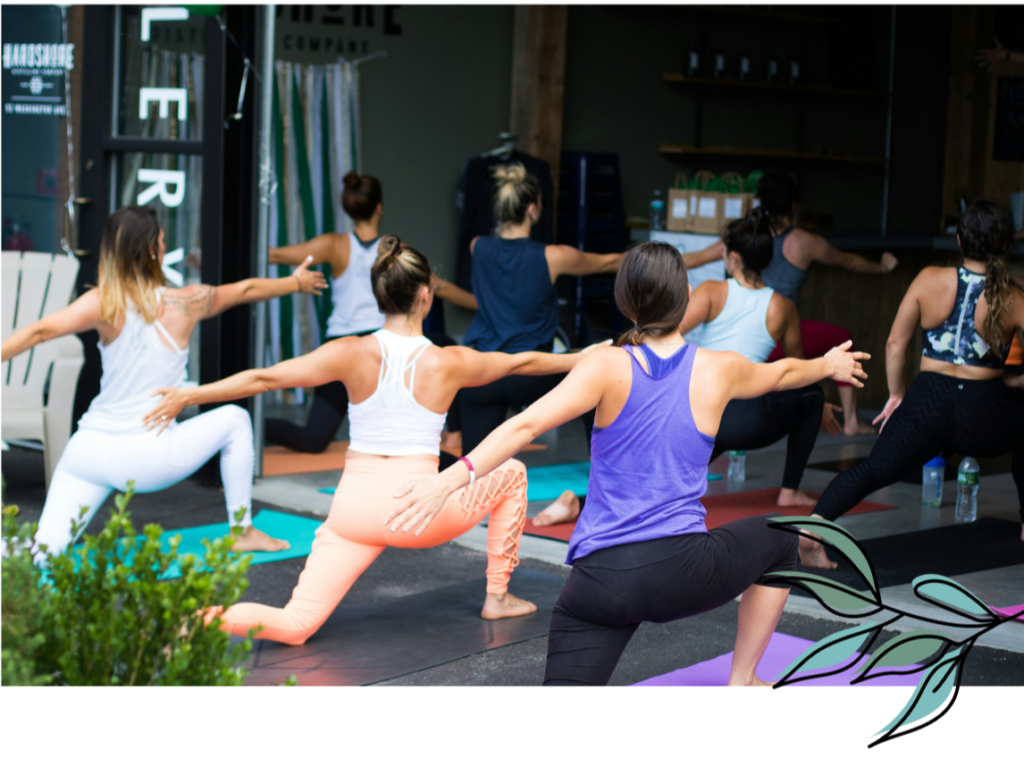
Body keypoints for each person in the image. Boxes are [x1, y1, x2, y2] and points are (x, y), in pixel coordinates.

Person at [388, 241, 869, 688]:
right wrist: (827, 366)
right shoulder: (718, 368)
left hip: (598, 585)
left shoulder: (606, 365)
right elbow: (783, 372)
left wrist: (446, 482)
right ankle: (743, 681)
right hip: (681, 573)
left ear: (626, 304)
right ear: (685, 296)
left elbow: (523, 427)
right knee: (783, 541)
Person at [146, 236, 599, 644]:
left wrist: (192, 393)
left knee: (297, 621)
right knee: (514, 472)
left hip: (352, 511)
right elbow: (521, 363)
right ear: (426, 296)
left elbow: (265, 377)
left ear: (379, 296)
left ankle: (197, 620)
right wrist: (585, 356)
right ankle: (496, 597)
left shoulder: (350, 352)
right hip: (421, 513)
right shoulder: (448, 361)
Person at [0, 206, 327, 560]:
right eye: (162, 240)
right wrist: (296, 282)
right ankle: (242, 531)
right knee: (235, 419)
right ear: (153, 252)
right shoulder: (185, 302)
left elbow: (39, 331)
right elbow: (245, 290)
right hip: (150, 457)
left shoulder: (102, 303)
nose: (164, 244)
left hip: (88, 451)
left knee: (43, 553)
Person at [803, 200, 1024, 569]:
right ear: (1005, 246)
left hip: (927, 403)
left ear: (957, 239)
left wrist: (896, 396)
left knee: (874, 469)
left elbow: (895, 344)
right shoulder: (1014, 297)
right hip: (983, 412)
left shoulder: (928, 278)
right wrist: (1013, 378)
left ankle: (813, 531)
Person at [265, 171, 476, 459]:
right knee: (451, 348)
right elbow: (441, 287)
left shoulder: (334, 245)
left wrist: (211, 254)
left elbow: (275, 255)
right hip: (375, 347)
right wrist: (484, 304)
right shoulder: (393, 252)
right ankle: (455, 430)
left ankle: (253, 424)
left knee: (313, 439)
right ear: (379, 207)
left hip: (353, 348)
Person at [461, 162, 624, 528]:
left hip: (481, 377)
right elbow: (613, 261)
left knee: (471, 477)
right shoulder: (552, 256)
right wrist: (692, 258)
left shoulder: (477, 247)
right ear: (533, 209)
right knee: (594, 381)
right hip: (530, 374)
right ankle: (605, 488)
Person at [682, 172, 898, 436]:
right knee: (843, 339)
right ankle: (850, 420)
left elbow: (694, 259)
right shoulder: (806, 242)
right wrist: (883, 267)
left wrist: (644, 262)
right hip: (780, 335)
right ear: (795, 205)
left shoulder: (744, 238)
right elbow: (849, 262)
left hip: (750, 350)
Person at [681, 210, 841, 508]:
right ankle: (790, 490)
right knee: (814, 396)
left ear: (734, 258)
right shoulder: (782, 306)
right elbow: (799, 370)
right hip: (748, 424)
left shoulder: (711, 292)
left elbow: (668, 336)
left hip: (702, 417)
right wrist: (820, 406)